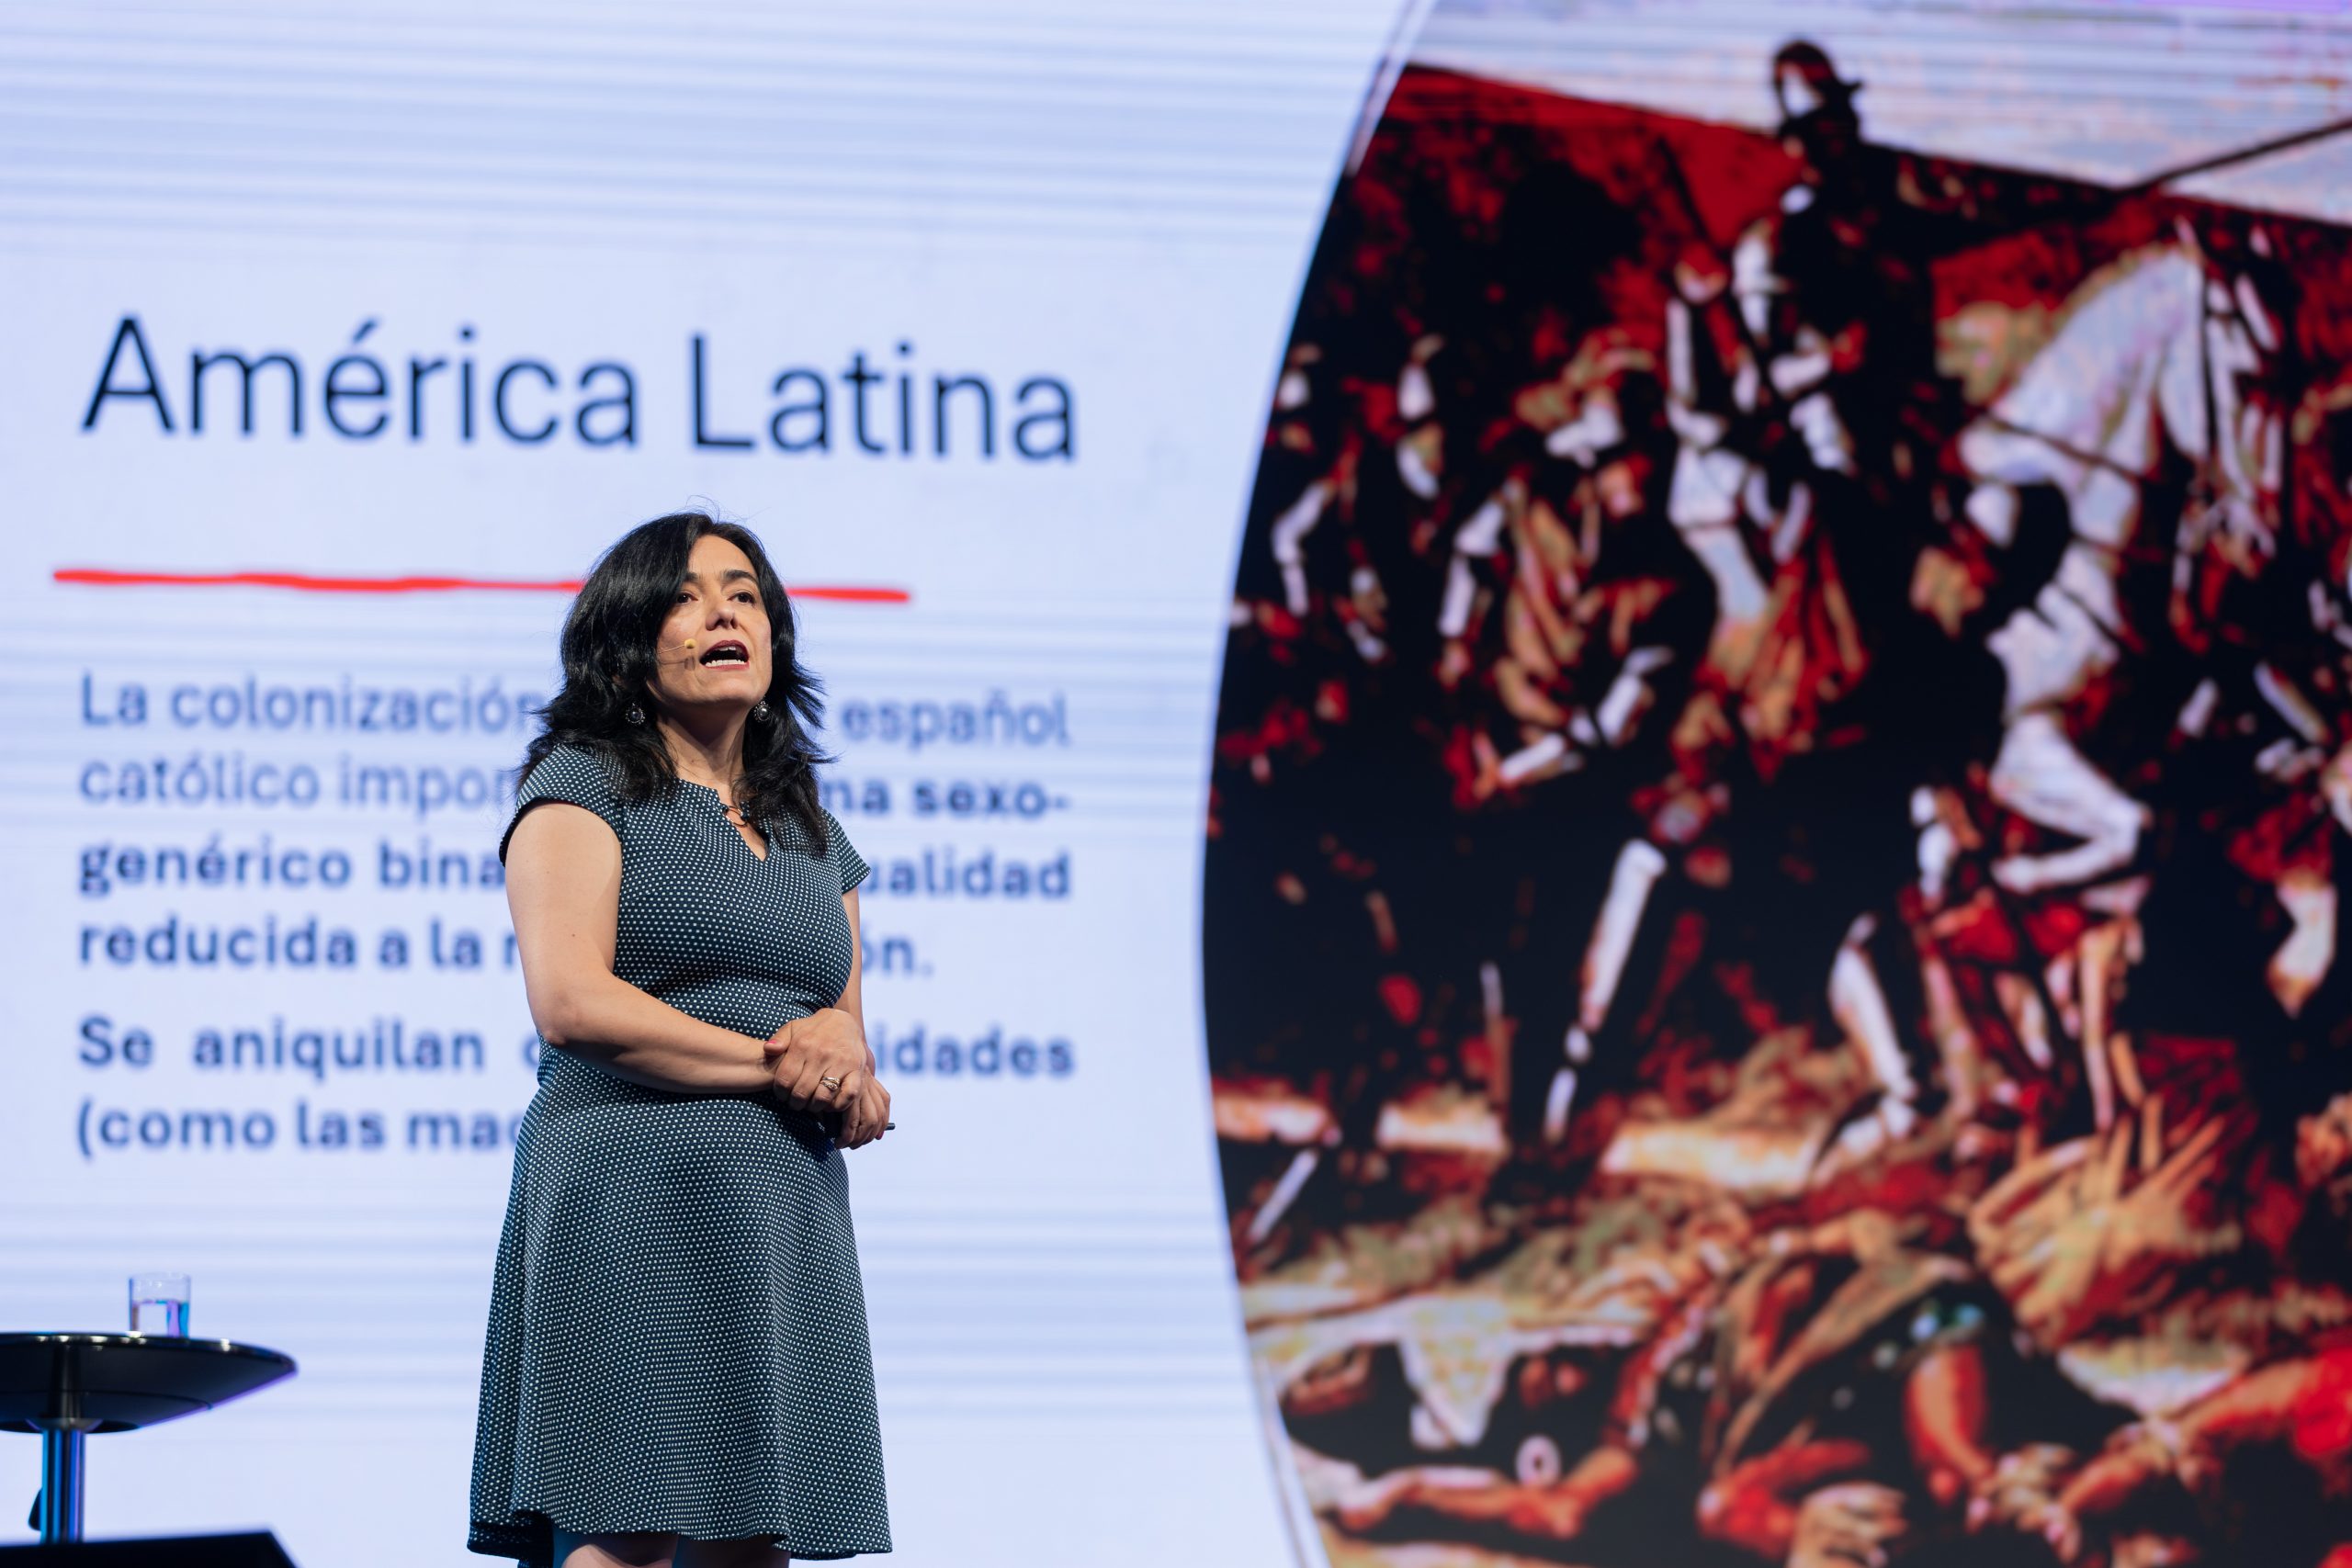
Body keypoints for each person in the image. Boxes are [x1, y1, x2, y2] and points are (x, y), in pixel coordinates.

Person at [468, 512, 893, 1568]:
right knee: (631, 1531)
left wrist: (851, 1077)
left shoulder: (809, 828)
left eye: (744, 595)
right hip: (633, 1191)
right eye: (688, 595)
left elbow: (841, 1023)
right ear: (628, 640)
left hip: (780, 1208)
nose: (724, 613)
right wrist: (775, 1066)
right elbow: (572, 1003)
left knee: (756, 1540)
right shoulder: (582, 786)